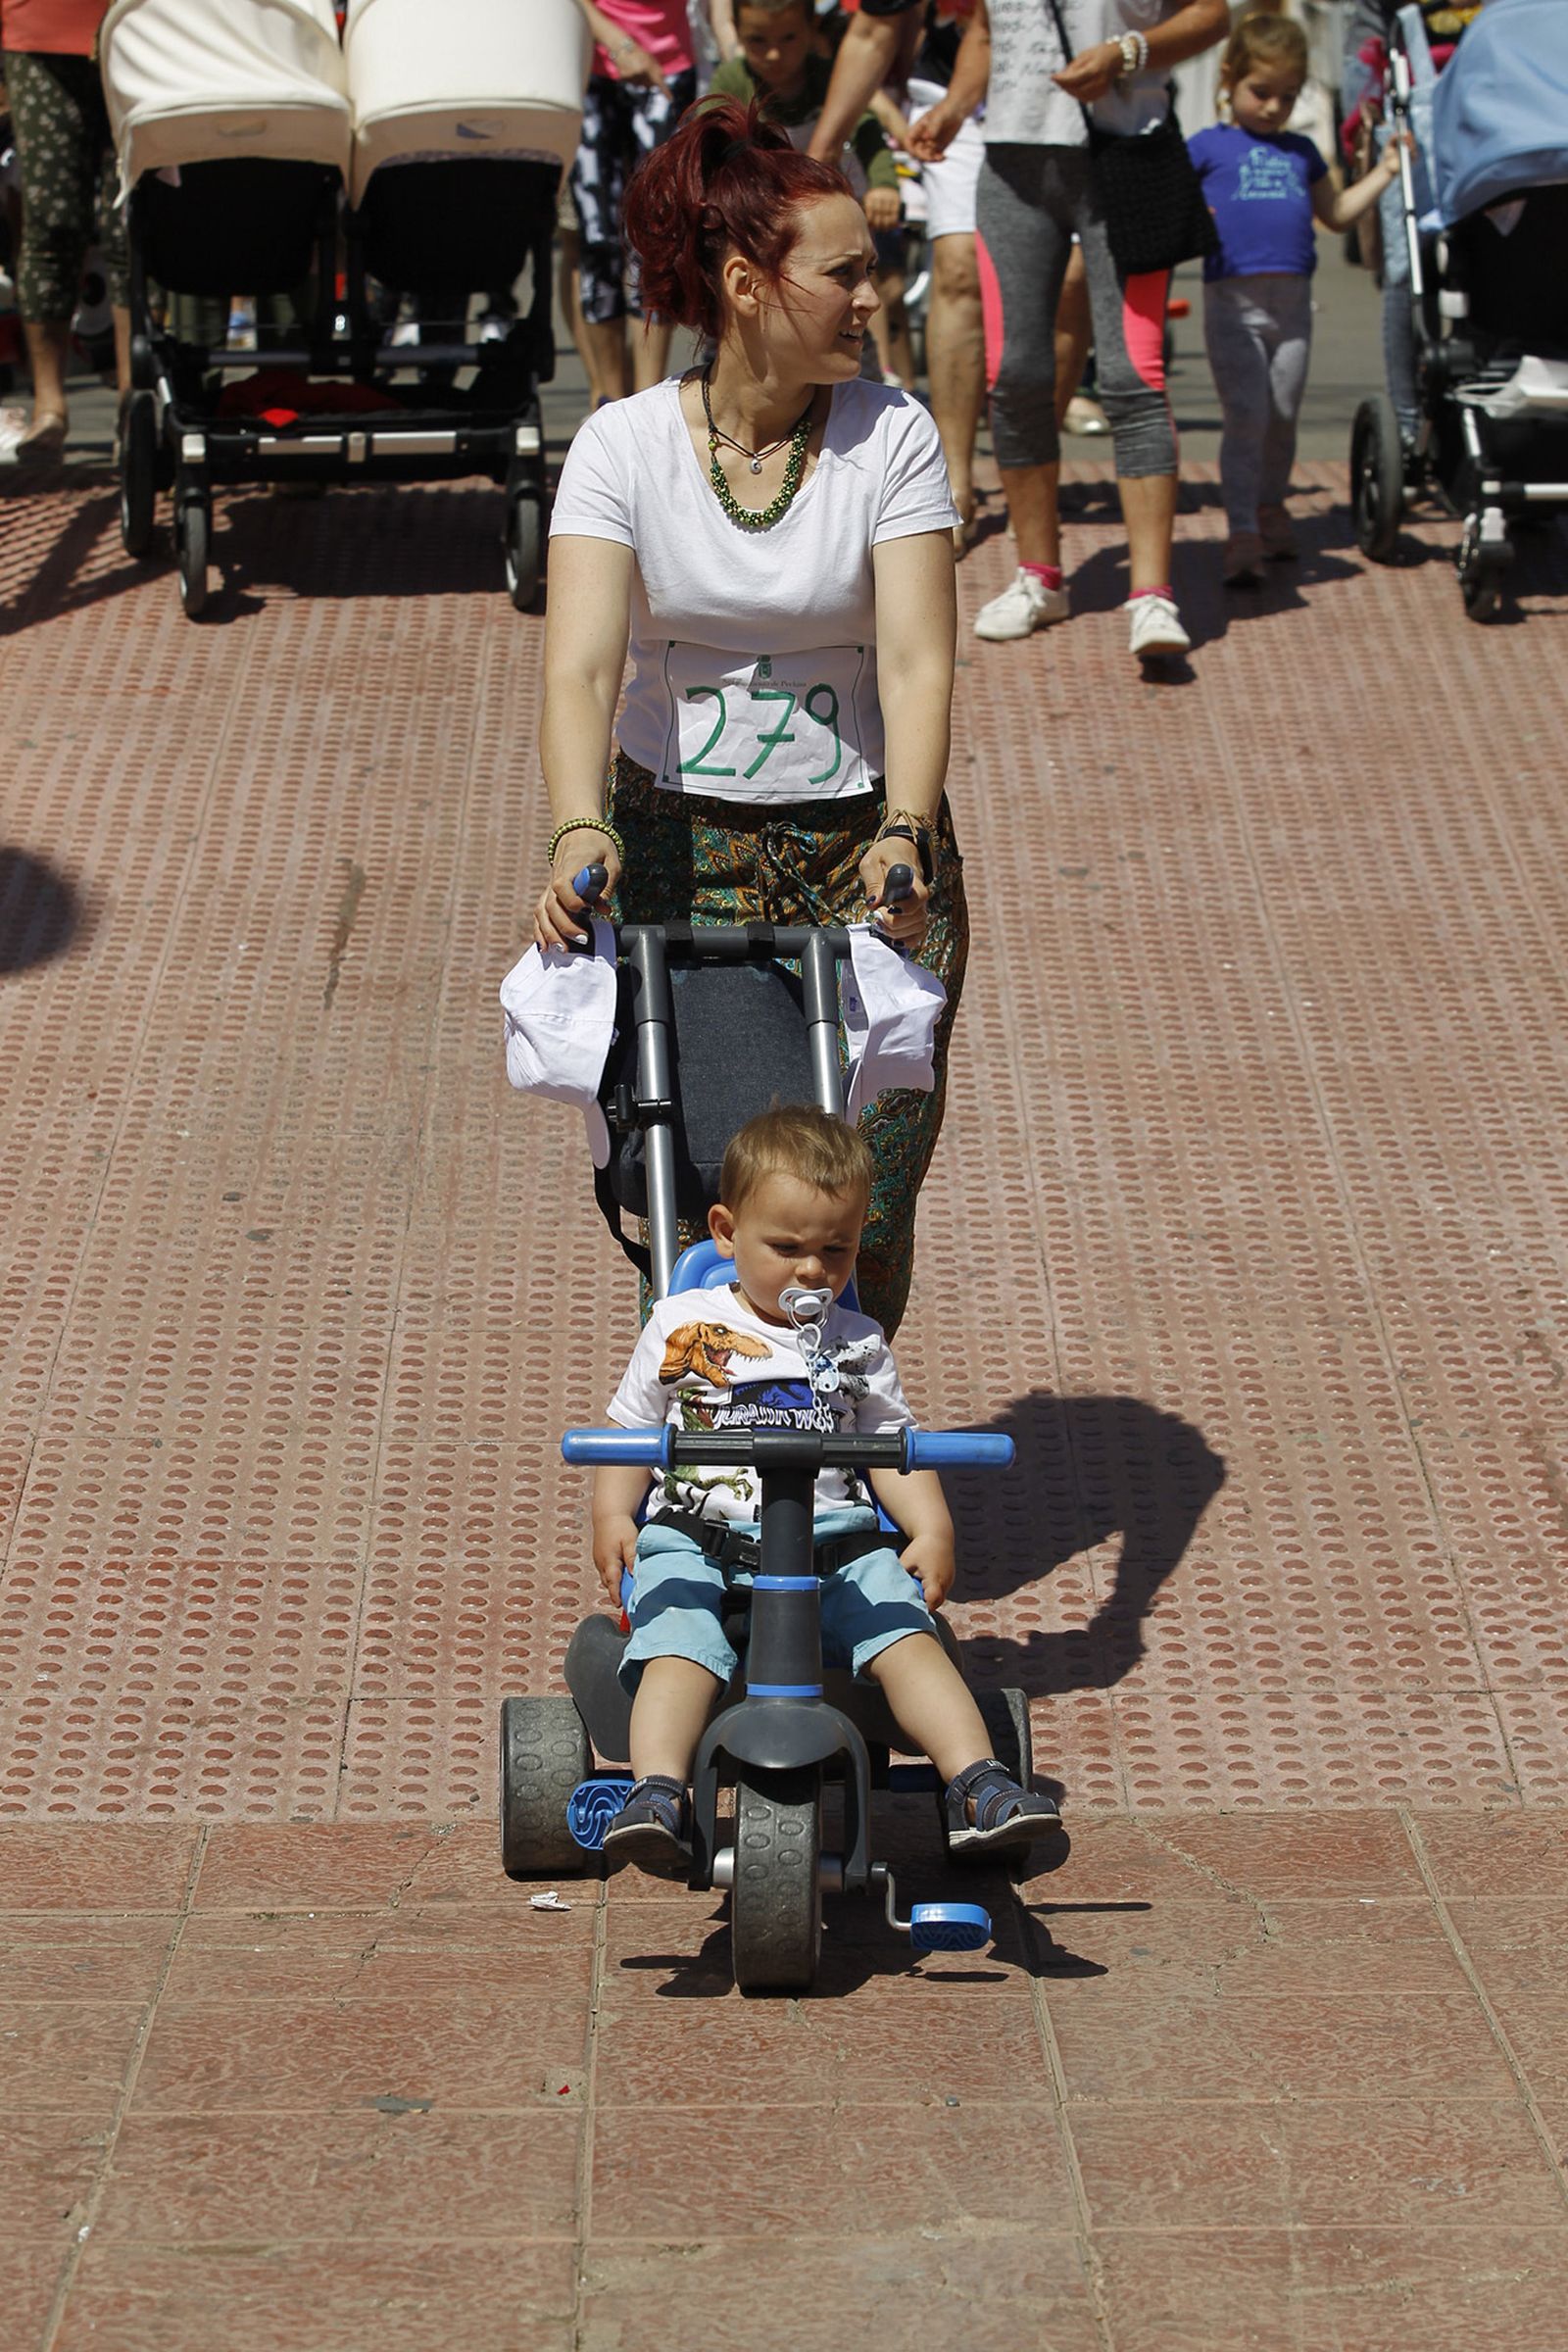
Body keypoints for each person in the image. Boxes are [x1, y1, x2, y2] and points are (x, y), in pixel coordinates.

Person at [533, 97, 968, 1339]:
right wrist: (576, 828)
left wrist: (906, 829)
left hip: (863, 861)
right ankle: (701, 1465)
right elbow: (578, 670)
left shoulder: (892, 439)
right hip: (679, 855)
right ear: (746, 283)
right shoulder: (621, 448)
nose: (873, 297)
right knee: (701, 1199)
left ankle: (841, 1455)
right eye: (847, 273)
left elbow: (919, 657)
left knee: (849, 1212)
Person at [592, 1104, 1062, 1873]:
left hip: (831, 1539)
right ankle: (658, 1791)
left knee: (904, 1630)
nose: (812, 1271)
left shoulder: (857, 1343)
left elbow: (891, 1450)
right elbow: (633, 1428)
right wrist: (614, 1509)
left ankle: (976, 1782)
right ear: (724, 1232)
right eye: (786, 1248)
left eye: (835, 1250)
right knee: (677, 1636)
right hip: (699, 1534)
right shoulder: (683, 1324)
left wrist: (931, 1531)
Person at [908, 0, 1229, 663]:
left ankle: (1150, 595)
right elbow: (990, 33)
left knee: (1131, 376)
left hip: (1125, 160)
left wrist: (1128, 54)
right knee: (1016, 376)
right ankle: (1040, 577)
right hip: (1013, 168)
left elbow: (1212, 16)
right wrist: (954, 108)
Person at [1191, 14, 1406, 582]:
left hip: (1293, 305)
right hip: (1233, 302)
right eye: (1260, 93)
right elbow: (1172, 209)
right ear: (1229, 79)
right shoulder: (1207, 148)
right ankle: (1241, 530)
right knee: (1247, 416)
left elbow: (1334, 215)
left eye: (1287, 97)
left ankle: (1269, 506)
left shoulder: (1302, 152)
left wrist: (1384, 172)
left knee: (1282, 418)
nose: (1272, 108)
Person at [0, 0, 127, 468]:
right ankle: (49, 405)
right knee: (51, 219)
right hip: (38, 28)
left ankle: (131, 403)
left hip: (139, 24)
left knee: (130, 223)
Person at [567, 0, 706, 402]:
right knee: (596, 240)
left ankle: (646, 404)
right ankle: (609, 402)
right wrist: (616, 41)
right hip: (591, 67)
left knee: (655, 238)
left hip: (667, 66)